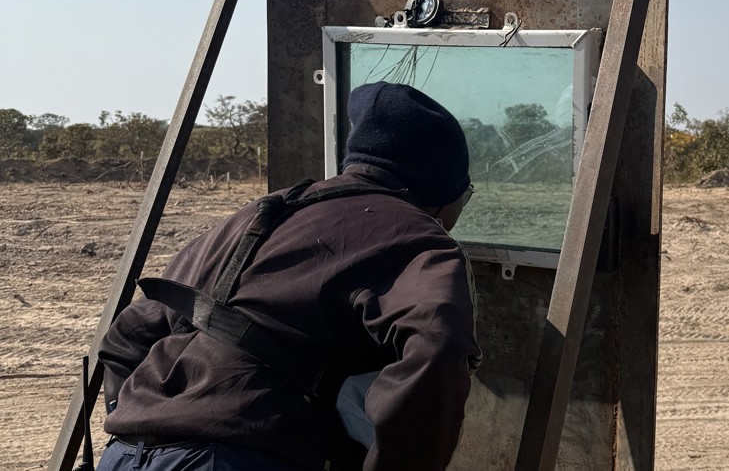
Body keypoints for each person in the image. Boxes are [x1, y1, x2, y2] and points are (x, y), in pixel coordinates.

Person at [97, 81, 482, 471]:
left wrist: (136, 421)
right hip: (241, 455)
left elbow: (129, 333)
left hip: (126, 452)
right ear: (442, 194)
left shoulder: (261, 214)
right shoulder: (420, 240)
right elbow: (440, 350)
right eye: (465, 196)